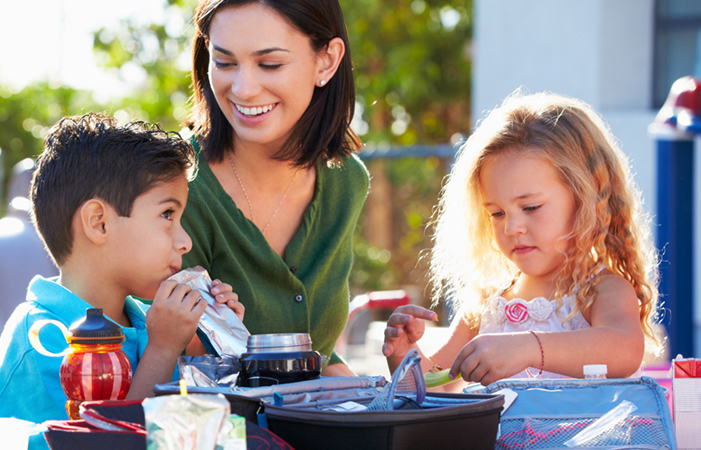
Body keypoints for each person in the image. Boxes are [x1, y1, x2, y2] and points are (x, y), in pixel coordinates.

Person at [0, 113, 240, 449]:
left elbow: (192, 432)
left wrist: (208, 343)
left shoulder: (147, 322)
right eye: (167, 215)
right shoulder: (45, 336)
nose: (185, 241)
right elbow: (110, 443)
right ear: (98, 223)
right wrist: (164, 350)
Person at [382, 92, 662, 387]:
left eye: (531, 208)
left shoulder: (601, 290)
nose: (512, 227)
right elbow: (436, 383)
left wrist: (529, 348)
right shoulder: (488, 302)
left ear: (586, 199)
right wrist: (404, 357)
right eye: (497, 213)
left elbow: (623, 350)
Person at [180, 0, 367, 375]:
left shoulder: (346, 181)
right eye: (225, 62)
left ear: (326, 61)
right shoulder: (175, 184)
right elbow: (169, 354)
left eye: (270, 64)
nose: (244, 89)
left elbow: (317, 353)